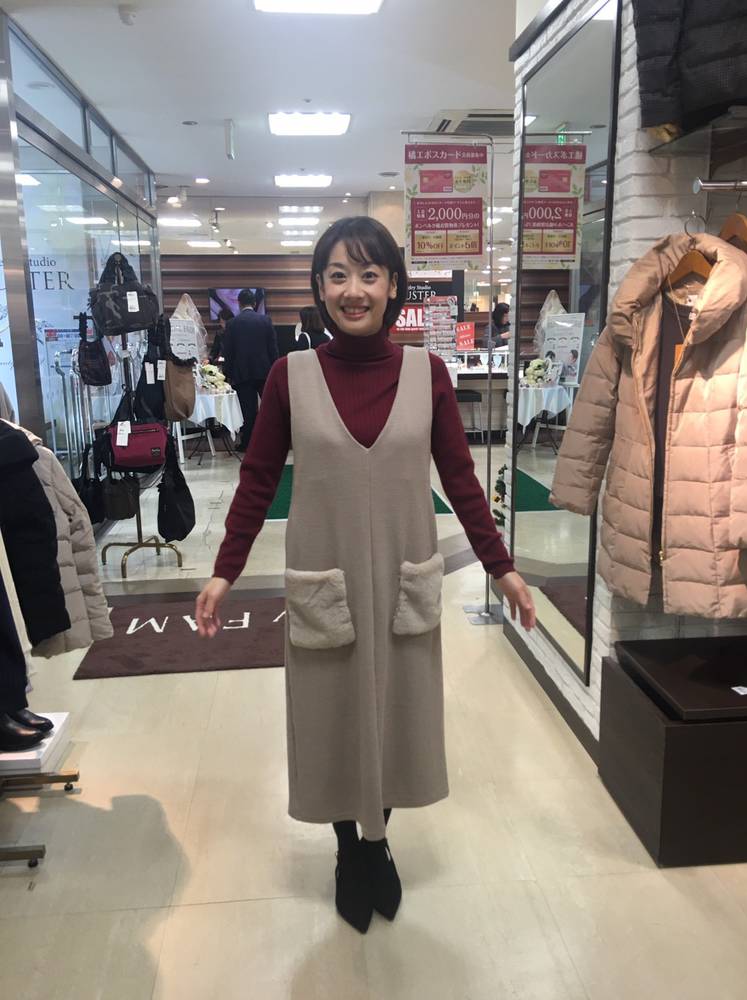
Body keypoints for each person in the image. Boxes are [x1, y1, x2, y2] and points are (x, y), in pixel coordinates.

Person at [195, 217, 535, 935]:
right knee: (333, 713)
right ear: (319, 288)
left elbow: (461, 478)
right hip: (327, 578)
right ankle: (349, 849)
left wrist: (501, 567)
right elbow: (257, 480)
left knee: (396, 711)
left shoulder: (427, 374)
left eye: (369, 274)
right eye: (339, 275)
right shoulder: (291, 377)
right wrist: (225, 572)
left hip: (403, 577)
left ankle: (380, 843)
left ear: (393, 287)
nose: (355, 290)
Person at [222, 289, 279, 450]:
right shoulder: (265, 321)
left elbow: (228, 352)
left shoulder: (232, 324)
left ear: (239, 304)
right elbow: (273, 348)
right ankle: (272, 441)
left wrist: (228, 373)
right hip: (264, 371)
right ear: (254, 303)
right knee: (269, 408)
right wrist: (275, 371)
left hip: (242, 373)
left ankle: (249, 443)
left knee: (248, 411)